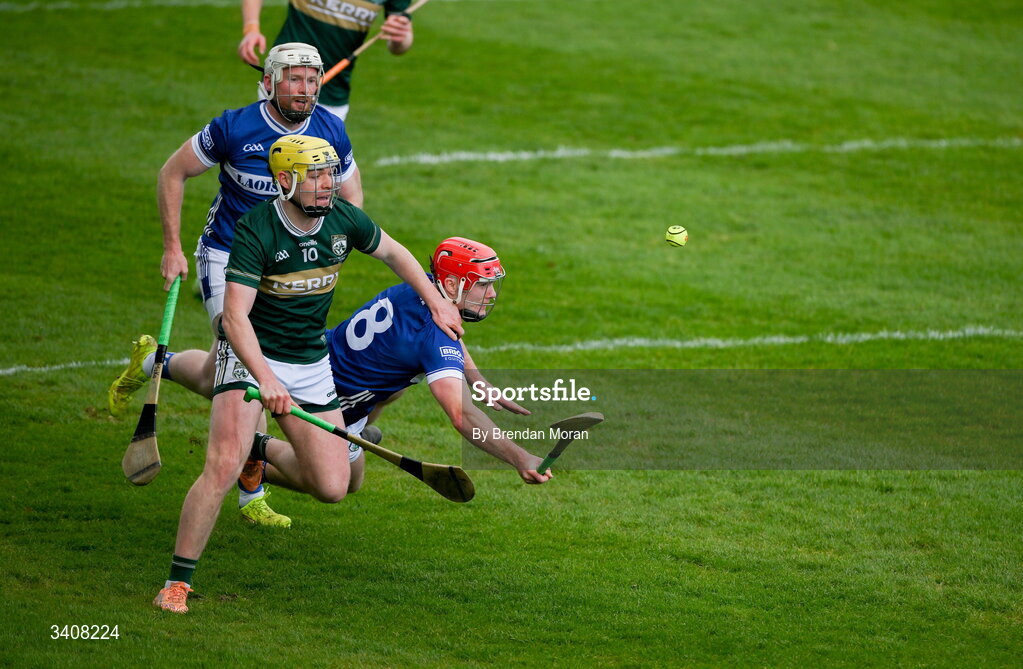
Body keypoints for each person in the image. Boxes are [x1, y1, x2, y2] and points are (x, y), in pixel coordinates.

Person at [152, 134, 462, 614]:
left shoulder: (343, 218)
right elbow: (234, 320)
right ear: (284, 180)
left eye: (329, 173)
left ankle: (257, 449)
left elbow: (396, 254)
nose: (326, 184)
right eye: (314, 175)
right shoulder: (257, 231)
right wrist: (266, 380)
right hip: (250, 352)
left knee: (333, 486)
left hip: (310, 359)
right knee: (221, 466)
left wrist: (438, 302)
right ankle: (177, 582)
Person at [110, 42, 360, 525]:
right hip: (228, 254)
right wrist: (172, 247)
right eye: (293, 79)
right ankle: (252, 492)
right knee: (250, 361)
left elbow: (350, 192)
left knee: (215, 376)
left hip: (284, 263)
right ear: (269, 81)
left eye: (312, 80)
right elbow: (173, 172)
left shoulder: (330, 130)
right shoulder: (235, 127)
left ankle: (153, 361)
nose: (304, 90)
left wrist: (334, 243)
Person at [241, 236, 552, 523]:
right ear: (454, 284)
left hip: (321, 357)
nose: (492, 293)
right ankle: (257, 451)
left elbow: (450, 333)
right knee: (336, 486)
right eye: (483, 285)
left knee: (392, 398)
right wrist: (520, 457)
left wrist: (474, 378)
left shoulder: (427, 288)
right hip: (322, 398)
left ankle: (351, 435)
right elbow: (463, 416)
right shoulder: (432, 339)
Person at [237, 0, 414, 121]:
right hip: (284, 78)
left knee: (317, 171)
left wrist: (400, 35)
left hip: (333, 92)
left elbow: (401, 44)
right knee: (270, 162)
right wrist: (251, 27)